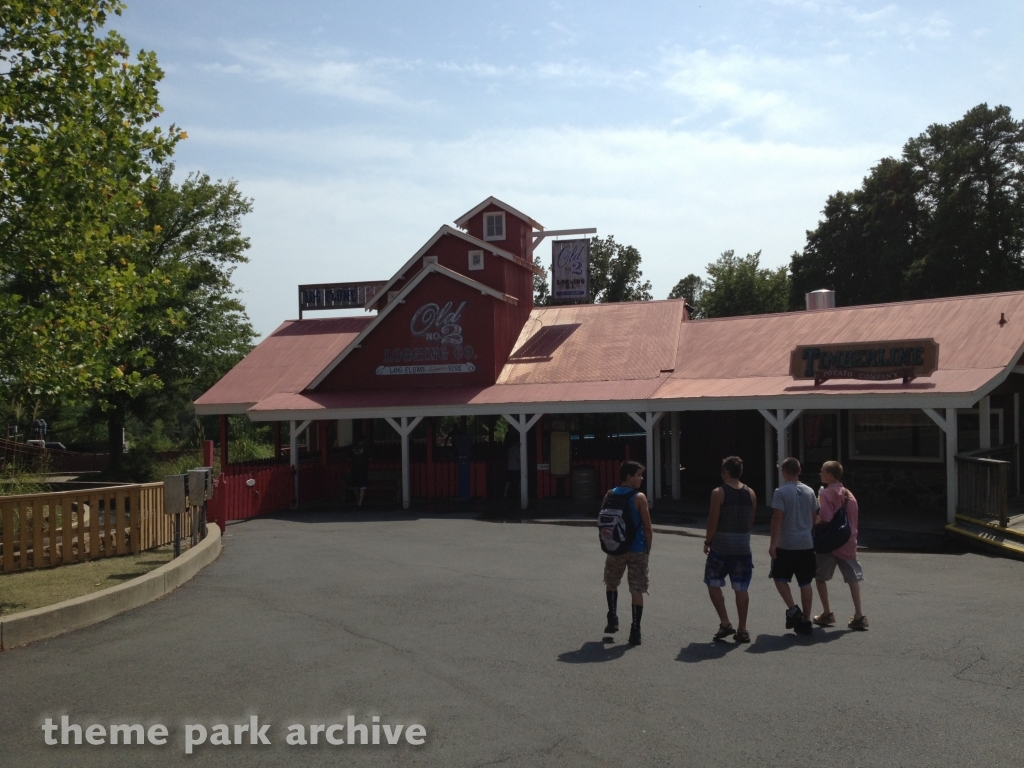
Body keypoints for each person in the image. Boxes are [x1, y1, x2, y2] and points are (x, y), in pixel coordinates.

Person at [703, 455, 757, 643]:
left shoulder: (719, 492)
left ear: (725, 472)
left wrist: (708, 541)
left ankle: (725, 622)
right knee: (741, 587)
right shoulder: (750, 492)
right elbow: (750, 520)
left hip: (722, 546)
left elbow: (713, 520)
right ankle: (742, 628)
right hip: (743, 546)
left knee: (713, 582)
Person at [602, 460, 653, 646]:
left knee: (611, 582)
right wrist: (648, 549)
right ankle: (635, 630)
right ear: (629, 477)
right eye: (638, 475)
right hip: (637, 549)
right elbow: (647, 527)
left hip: (615, 547)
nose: (641, 478)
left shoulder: (609, 494)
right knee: (637, 589)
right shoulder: (639, 497)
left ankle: (613, 616)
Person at [813, 461, 868, 630]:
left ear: (830, 475)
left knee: (820, 577)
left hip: (830, 543)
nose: (820, 474)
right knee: (853, 579)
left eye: (822, 471)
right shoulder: (849, 495)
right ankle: (859, 614)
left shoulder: (827, 494)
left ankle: (827, 613)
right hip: (848, 541)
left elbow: (826, 519)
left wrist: (813, 520)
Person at [768, 457, 818, 636]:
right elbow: (814, 518)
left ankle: (793, 608)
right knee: (805, 581)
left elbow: (777, 519)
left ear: (784, 472)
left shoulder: (780, 492)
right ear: (799, 471)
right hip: (805, 543)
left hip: (786, 543)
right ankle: (806, 619)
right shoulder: (810, 491)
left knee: (779, 577)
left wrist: (773, 543)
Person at [350, 439, 370, 509]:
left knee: (355, 486)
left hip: (354, 470)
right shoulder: (366, 448)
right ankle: (360, 503)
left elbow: (349, 458)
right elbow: (369, 458)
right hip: (363, 470)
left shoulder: (352, 448)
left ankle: (357, 501)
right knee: (362, 487)